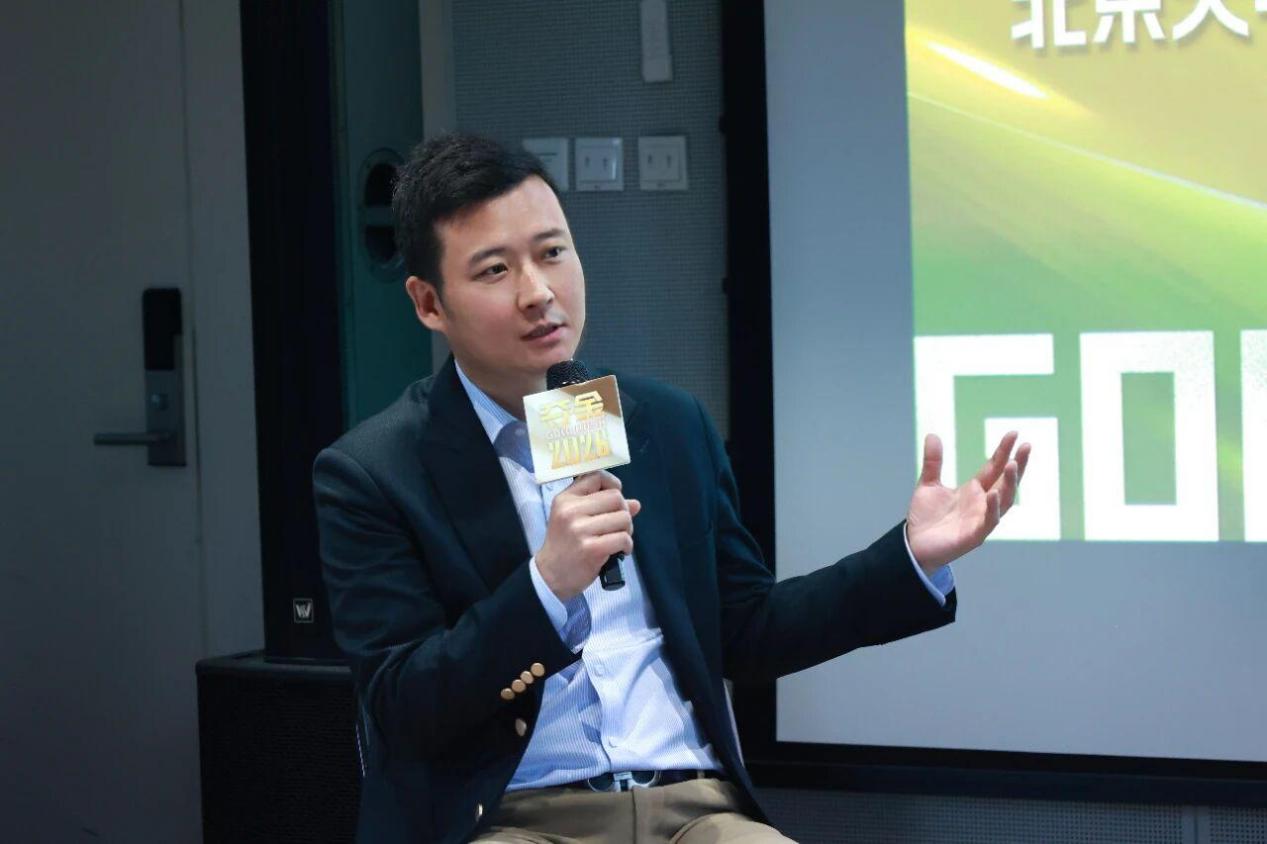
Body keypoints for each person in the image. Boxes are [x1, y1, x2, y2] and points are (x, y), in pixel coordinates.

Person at [313, 133, 1029, 844]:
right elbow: (403, 707)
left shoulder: (663, 422)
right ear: (429, 303)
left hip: (696, 810)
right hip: (512, 820)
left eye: (553, 252)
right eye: (496, 270)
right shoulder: (373, 471)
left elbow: (746, 631)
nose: (539, 292)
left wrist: (910, 557)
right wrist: (545, 587)